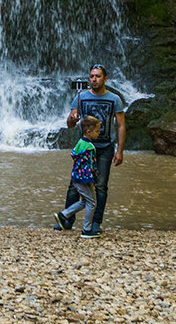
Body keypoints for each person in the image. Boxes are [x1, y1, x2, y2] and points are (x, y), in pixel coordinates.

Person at [62, 63, 125, 235]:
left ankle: (96, 222)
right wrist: (72, 118)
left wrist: (119, 150)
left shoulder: (114, 99)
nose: (94, 79)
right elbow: (69, 124)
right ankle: (66, 221)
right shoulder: (81, 97)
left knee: (101, 186)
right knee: (75, 185)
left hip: (105, 148)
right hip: (84, 149)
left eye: (97, 76)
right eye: (91, 76)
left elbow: (120, 126)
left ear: (105, 79)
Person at [54, 115, 101, 238]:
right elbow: (92, 164)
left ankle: (63, 215)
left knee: (84, 201)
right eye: (97, 131)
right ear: (88, 132)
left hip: (76, 176)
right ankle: (87, 229)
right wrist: (94, 178)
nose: (99, 133)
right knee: (91, 202)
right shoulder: (90, 147)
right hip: (84, 179)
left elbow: (74, 154)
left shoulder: (80, 143)